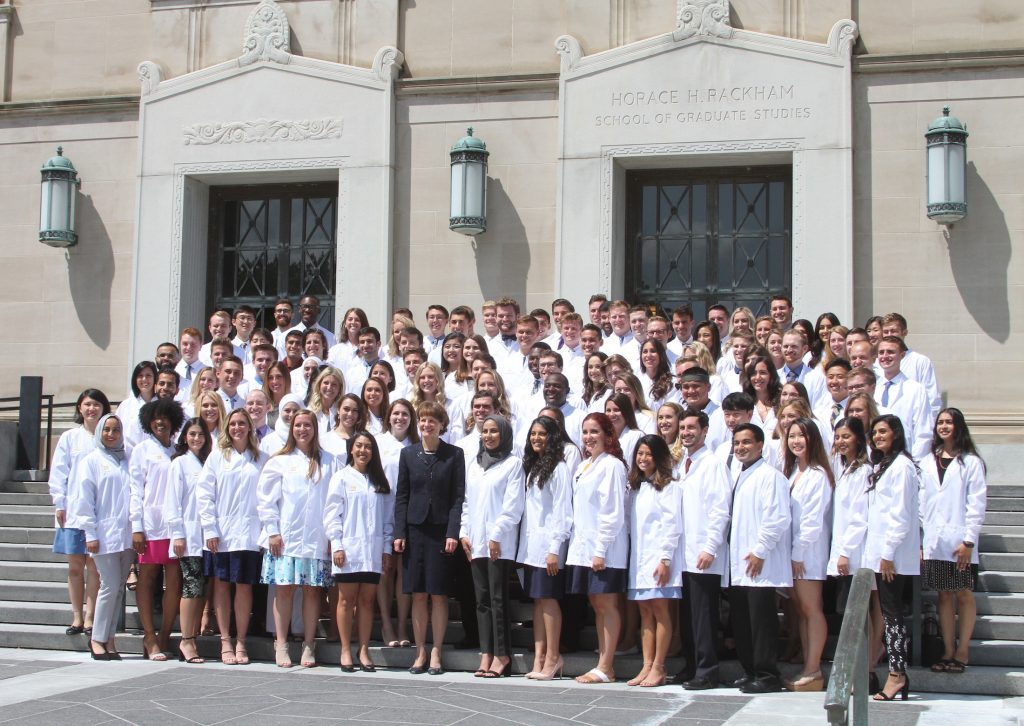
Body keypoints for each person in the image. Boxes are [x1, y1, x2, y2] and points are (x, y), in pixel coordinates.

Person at [256, 409, 334, 668]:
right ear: (292, 429)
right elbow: (266, 500)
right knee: (284, 590)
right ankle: (282, 643)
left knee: (313, 593)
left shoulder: (329, 461)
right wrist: (272, 531)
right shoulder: (280, 461)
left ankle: (309, 645)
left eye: (307, 425)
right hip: (286, 538)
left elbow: (335, 502)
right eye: (298, 425)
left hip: (316, 538)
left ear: (315, 429)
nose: (303, 430)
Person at [393, 401, 466, 675]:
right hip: (414, 530)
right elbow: (402, 495)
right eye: (422, 420)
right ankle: (420, 650)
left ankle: (436, 650)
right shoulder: (408, 454)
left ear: (441, 424)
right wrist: (399, 532)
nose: (426, 425)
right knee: (418, 594)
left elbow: (458, 497)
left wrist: (452, 531)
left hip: (441, 531)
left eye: (432, 420)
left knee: (439, 593)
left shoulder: (454, 454)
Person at [197, 408, 267, 666]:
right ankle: (225, 639)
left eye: (242, 423)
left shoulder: (261, 459)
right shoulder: (217, 457)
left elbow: (268, 498)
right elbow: (205, 494)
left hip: (250, 534)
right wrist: (210, 528)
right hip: (223, 533)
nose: (237, 428)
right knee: (223, 585)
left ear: (250, 427)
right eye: (233, 424)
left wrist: (266, 531)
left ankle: (241, 640)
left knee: (245, 586)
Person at [921, 408, 987, 674]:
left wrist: (969, 541)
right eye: (940, 422)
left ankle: (963, 651)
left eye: (949, 422)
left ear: (958, 426)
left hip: (960, 541)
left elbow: (977, 503)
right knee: (944, 596)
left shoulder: (970, 462)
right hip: (935, 540)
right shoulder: (929, 461)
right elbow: (922, 501)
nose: (944, 426)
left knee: (964, 594)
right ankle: (947, 650)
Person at [860, 415, 921, 701]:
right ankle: (897, 674)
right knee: (888, 613)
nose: (877, 436)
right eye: (874, 432)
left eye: (883, 431)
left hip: (892, 556)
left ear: (896, 433)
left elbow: (901, 515)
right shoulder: (882, 465)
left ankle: (897, 675)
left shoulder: (903, 467)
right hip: (881, 553)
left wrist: (887, 553)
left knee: (893, 616)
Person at [728, 423, 792, 693]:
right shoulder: (740, 475)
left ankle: (767, 674)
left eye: (746, 442)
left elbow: (778, 518)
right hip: (740, 563)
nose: (740, 447)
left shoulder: (771, 476)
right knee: (743, 621)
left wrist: (760, 550)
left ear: (760, 445)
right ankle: (750, 669)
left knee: (762, 622)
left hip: (759, 562)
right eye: (737, 443)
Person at [565, 412, 629, 684]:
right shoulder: (584, 466)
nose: (589, 437)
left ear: (607, 435)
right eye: (585, 432)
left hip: (604, 549)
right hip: (584, 547)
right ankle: (603, 663)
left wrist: (600, 549)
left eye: (595, 432)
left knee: (606, 603)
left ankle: (606, 664)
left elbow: (612, 511)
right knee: (596, 603)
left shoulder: (612, 466)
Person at [460, 414, 525, 678]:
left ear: (504, 434)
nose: (488, 436)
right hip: (476, 542)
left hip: (499, 542)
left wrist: (496, 534)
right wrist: (464, 532)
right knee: (482, 601)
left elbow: (513, 506)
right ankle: (486, 652)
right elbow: (467, 502)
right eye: (485, 431)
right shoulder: (475, 465)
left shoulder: (512, 464)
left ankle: (502, 655)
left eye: (494, 431)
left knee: (498, 599)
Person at [325, 431, 396, 671]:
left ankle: (363, 650)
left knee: (367, 601)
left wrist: (386, 549)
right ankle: (346, 649)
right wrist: (337, 544)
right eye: (359, 446)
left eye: (367, 447)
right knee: (346, 600)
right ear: (351, 450)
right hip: (348, 550)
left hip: (372, 551)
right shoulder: (342, 478)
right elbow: (332, 515)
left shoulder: (379, 481)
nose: (363, 451)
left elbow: (387, 520)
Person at [676, 409, 732, 690]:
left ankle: (707, 670)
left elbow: (721, 510)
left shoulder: (713, 464)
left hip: (703, 554)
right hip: (683, 554)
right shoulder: (682, 464)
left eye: (691, 428)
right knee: (687, 616)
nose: (686, 432)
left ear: (705, 430)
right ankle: (691, 664)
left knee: (703, 617)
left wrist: (711, 547)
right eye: (682, 428)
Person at [829, 416, 884, 692]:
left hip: (855, 553)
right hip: (845, 551)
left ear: (859, 439)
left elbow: (859, 518)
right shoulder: (844, 469)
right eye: (837, 437)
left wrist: (844, 552)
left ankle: (867, 670)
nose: (841, 442)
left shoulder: (863, 471)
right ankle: (860, 669)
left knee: (860, 615)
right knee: (854, 614)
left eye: (846, 437)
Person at [50, 389, 110, 638]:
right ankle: (76, 614)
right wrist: (60, 502)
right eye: (87, 404)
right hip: (73, 511)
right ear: (79, 408)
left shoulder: (108, 437)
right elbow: (59, 472)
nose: (91, 409)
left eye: (96, 404)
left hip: (99, 513)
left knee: (94, 567)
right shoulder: (70, 437)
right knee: (75, 567)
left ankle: (90, 616)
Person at [73, 414, 133, 660]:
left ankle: (110, 638)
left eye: (116, 429)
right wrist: (90, 532)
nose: (111, 434)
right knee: (108, 585)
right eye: (106, 429)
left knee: (119, 587)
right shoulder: (92, 461)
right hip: (103, 534)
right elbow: (85, 500)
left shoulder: (126, 459)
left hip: (127, 534)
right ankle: (96, 638)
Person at [517, 416, 572, 680]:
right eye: (532, 434)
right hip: (532, 547)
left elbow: (563, 511)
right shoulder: (535, 465)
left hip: (548, 546)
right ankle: (539, 657)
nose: (536, 438)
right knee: (538, 602)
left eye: (542, 434)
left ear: (552, 437)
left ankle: (553, 656)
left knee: (548, 600)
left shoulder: (558, 467)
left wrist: (554, 548)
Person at [130, 398, 185, 660]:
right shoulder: (142, 450)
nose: (160, 422)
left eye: (165, 417)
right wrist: (136, 527)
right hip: (151, 525)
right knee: (148, 578)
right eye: (155, 418)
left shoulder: (177, 450)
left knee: (174, 580)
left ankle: (164, 634)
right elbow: (135, 490)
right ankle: (149, 636)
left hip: (174, 525)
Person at [782, 418, 834, 692]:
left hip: (807, 554)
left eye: (801, 436)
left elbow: (812, 522)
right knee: (801, 610)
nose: (796, 441)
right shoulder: (794, 472)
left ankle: (814, 669)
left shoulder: (817, 475)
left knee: (811, 608)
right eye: (791, 436)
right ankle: (807, 666)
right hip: (794, 553)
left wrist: (798, 554)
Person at [626, 435, 682, 688]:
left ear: (659, 457)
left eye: (648, 454)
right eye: (640, 453)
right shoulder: (636, 488)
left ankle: (659, 666)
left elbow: (672, 525)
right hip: (640, 559)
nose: (643, 459)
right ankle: (646, 665)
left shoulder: (669, 487)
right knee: (645, 613)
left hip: (659, 559)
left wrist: (665, 559)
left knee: (660, 611)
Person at [165, 417, 213, 664]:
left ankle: (192, 636)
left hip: (207, 536)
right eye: (192, 434)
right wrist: (178, 533)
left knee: (200, 588)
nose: (197, 439)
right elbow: (172, 500)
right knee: (191, 586)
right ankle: (185, 639)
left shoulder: (207, 462)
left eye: (201, 435)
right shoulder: (180, 463)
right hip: (189, 534)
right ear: (185, 437)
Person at [375, 399, 417, 648]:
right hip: (382, 512)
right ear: (388, 417)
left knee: (403, 571)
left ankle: (402, 624)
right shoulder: (378, 444)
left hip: (408, 517)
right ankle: (387, 625)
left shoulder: (416, 445)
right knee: (385, 569)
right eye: (396, 414)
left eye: (405, 414)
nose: (400, 418)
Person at [307, 367, 345, 436]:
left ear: (340, 388)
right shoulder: (310, 411)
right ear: (319, 385)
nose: (329, 387)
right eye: (326, 383)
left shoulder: (343, 411)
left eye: (334, 384)